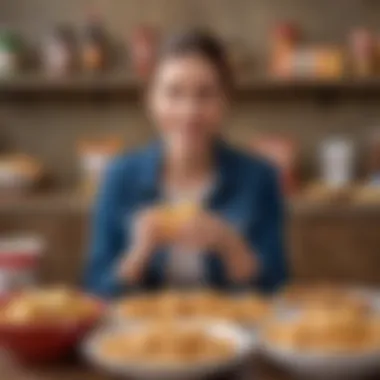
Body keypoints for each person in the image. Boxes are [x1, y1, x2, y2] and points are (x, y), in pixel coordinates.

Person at [84, 30, 288, 297]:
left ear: (226, 101)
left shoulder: (260, 177)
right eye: (173, 93)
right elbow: (95, 292)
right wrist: (138, 254)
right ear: (150, 101)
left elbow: (278, 292)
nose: (190, 111)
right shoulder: (119, 176)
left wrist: (231, 246)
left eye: (205, 94)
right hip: (140, 335)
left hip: (234, 333)